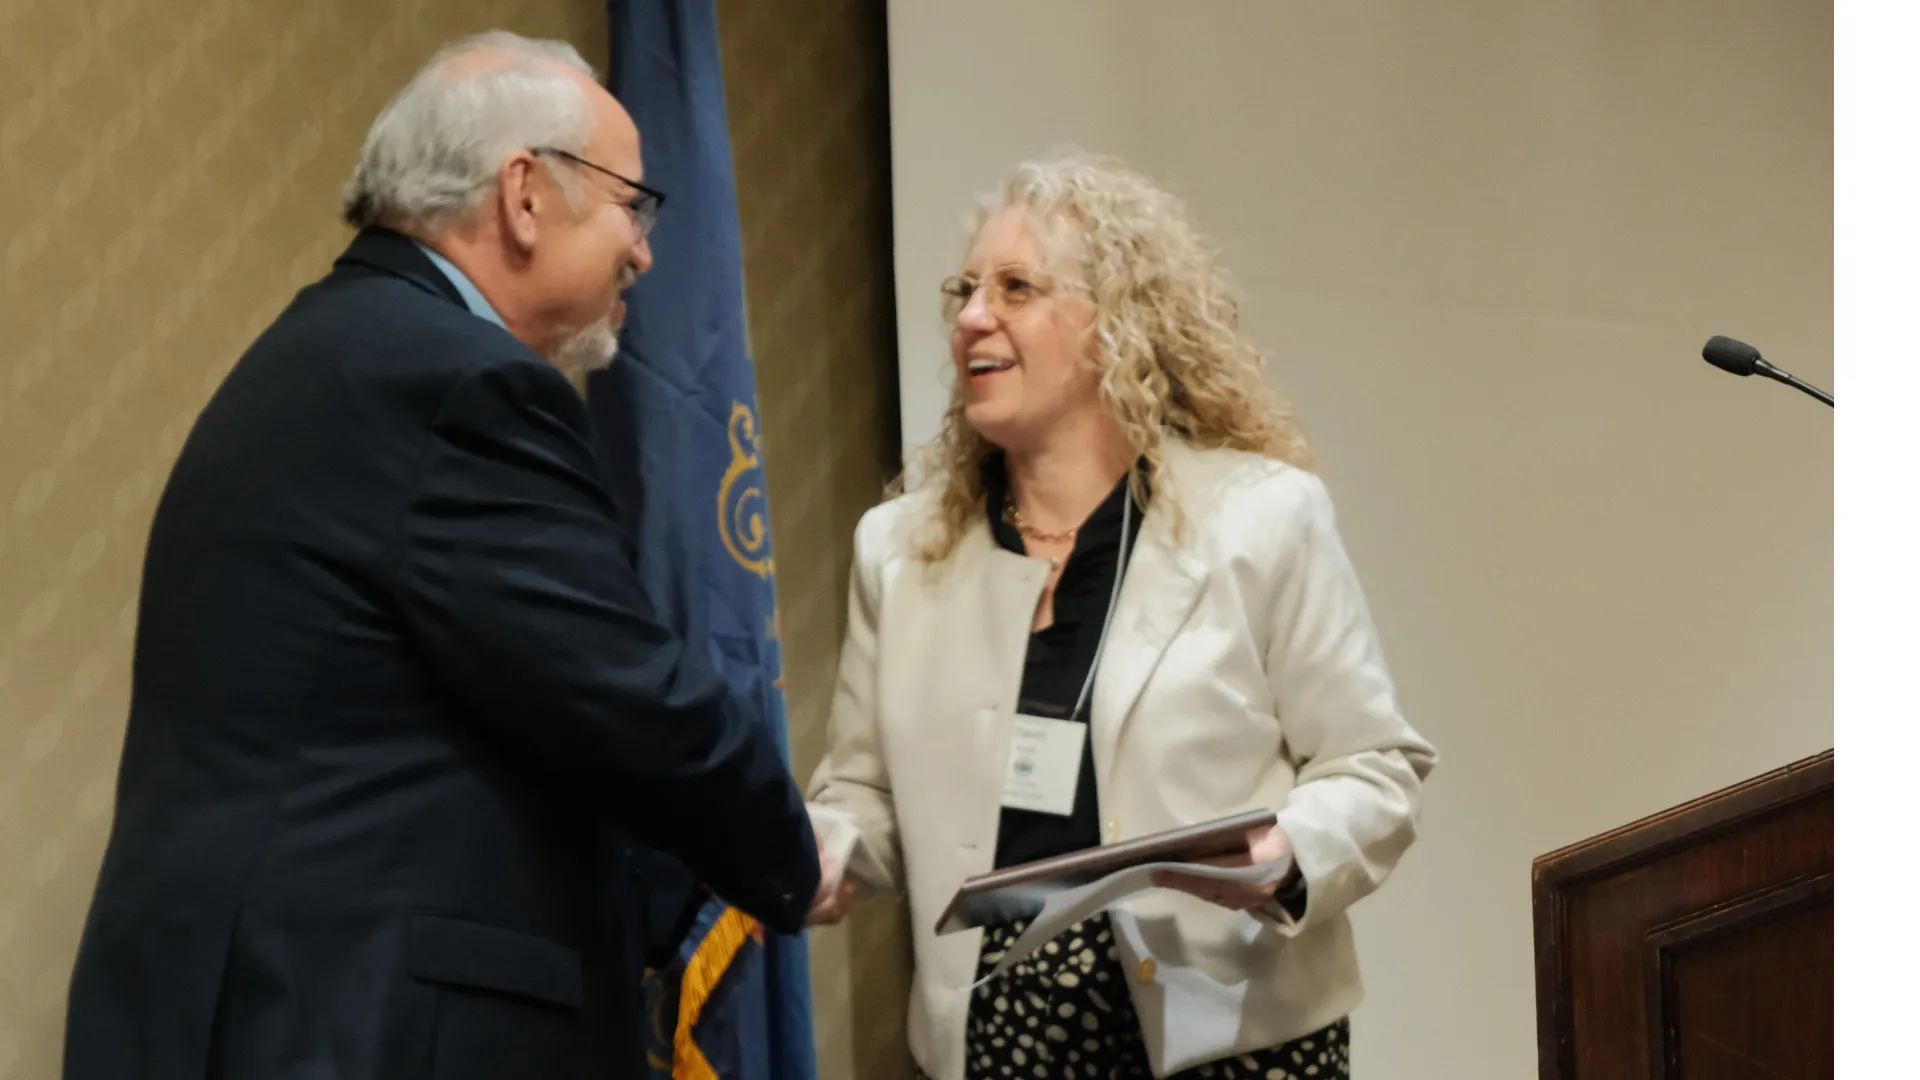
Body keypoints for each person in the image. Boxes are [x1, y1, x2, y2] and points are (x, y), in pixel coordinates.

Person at [63, 31, 839, 1080]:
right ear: (523, 194)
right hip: (350, 1024)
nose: (646, 251)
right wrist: (790, 857)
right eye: (631, 204)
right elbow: (630, 695)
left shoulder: (330, 350)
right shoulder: (460, 388)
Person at [807, 152, 1438, 1079]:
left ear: (1116, 325)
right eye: (966, 289)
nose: (973, 317)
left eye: (1016, 288)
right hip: (999, 1042)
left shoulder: (1261, 518)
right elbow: (864, 796)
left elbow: (1376, 766)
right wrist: (816, 849)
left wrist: (1282, 851)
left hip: (1231, 1034)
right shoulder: (899, 552)